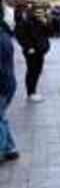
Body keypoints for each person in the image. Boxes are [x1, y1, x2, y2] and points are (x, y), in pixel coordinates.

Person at [16, 2, 51, 102]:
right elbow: (20, 35)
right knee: (32, 70)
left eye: (42, 11)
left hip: (40, 50)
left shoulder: (42, 20)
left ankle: (33, 91)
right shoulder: (26, 20)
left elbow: (51, 32)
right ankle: (30, 93)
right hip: (31, 50)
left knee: (38, 70)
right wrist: (28, 47)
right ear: (33, 11)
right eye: (38, 11)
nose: (40, 13)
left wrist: (46, 22)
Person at [0, 14, 19, 163]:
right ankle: (10, 148)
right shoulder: (4, 35)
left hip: (2, 84)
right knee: (2, 117)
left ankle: (2, 149)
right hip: (8, 83)